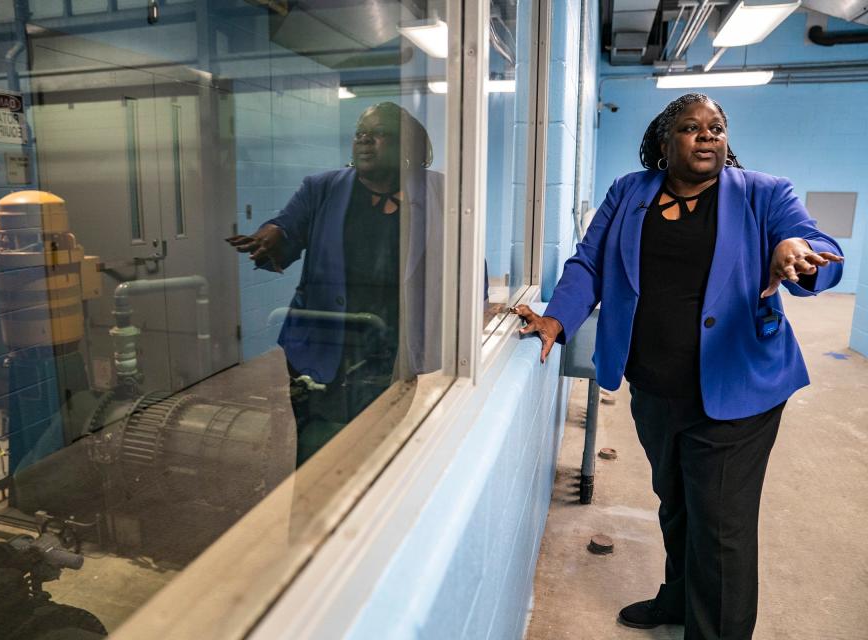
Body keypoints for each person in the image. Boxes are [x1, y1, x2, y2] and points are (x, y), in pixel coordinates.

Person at [513, 93, 843, 639]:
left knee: (721, 526)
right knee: (678, 501)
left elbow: (814, 244)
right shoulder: (630, 192)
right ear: (665, 142)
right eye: (692, 127)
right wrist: (558, 320)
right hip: (656, 386)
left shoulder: (762, 193)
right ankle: (679, 599)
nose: (708, 135)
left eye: (717, 126)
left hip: (739, 388)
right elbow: (589, 262)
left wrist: (797, 252)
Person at [228, 102, 443, 466]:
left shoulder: (439, 192)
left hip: (393, 346)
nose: (364, 142)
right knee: (319, 453)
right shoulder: (322, 187)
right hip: (323, 346)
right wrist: (274, 236)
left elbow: (465, 259)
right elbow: (288, 225)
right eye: (359, 134)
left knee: (383, 449)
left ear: (407, 145)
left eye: (377, 135)